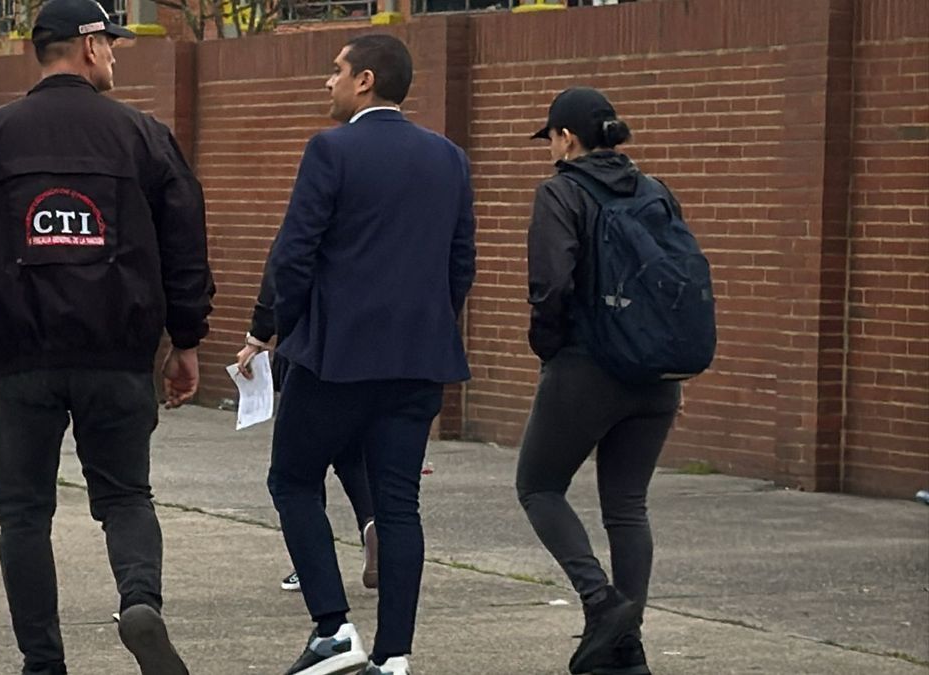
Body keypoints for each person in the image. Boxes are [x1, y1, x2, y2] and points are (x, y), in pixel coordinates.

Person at [0, 1, 213, 673]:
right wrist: (186, 338)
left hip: (16, 359)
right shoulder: (143, 136)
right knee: (126, 497)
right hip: (117, 354)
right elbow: (185, 243)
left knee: (23, 515)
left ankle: (43, 662)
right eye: (110, 43)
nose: (115, 55)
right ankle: (140, 601)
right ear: (87, 47)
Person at [266, 34, 476, 675]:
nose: (326, 82)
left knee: (292, 479)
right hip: (420, 358)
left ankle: (334, 630)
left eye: (335, 71)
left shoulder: (330, 149)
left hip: (337, 355)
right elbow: (461, 262)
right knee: (398, 505)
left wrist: (283, 331)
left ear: (365, 80)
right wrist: (428, 324)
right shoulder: (449, 158)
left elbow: (294, 254)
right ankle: (394, 657)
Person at [516, 87, 685, 675]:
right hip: (657, 372)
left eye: (550, 138)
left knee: (539, 486)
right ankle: (627, 649)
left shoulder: (561, 191)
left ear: (566, 138)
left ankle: (601, 603)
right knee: (627, 506)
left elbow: (551, 283)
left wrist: (550, 349)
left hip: (588, 367)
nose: (549, 149)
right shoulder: (656, 190)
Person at [236, 245, 378, 593]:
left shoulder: (314, 215)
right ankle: (373, 522)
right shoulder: (383, 219)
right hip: (369, 349)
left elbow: (283, 267)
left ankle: (312, 562)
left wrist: (259, 334)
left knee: (299, 468)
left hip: (310, 349)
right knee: (352, 452)